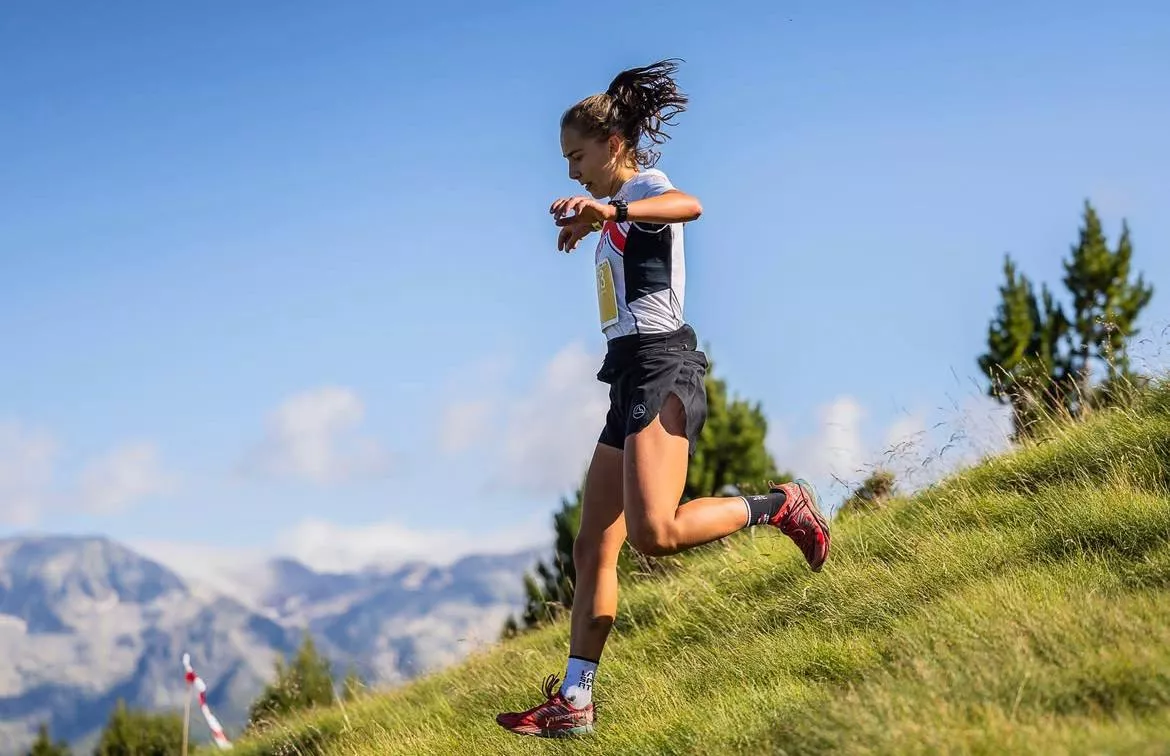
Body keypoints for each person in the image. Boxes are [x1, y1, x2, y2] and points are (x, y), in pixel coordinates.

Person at [495, 58, 831, 739]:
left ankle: (779, 505)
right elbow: (622, 234)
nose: (570, 172)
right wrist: (592, 222)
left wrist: (608, 208)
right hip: (626, 377)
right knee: (594, 544)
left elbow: (688, 207)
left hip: (663, 367)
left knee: (658, 533)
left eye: (577, 156)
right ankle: (576, 700)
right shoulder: (612, 211)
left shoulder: (647, 187)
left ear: (612, 146)